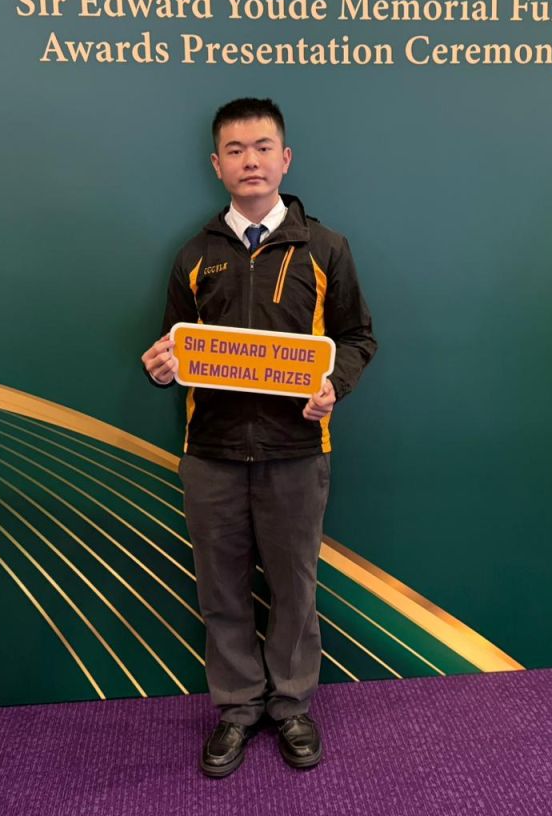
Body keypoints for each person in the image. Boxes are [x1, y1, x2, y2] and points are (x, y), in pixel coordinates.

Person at [140, 97, 377, 777]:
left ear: (285, 158)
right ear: (217, 165)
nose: (251, 160)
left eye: (263, 147)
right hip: (211, 454)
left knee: (296, 589)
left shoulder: (325, 249)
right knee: (221, 591)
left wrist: (335, 384)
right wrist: (160, 367)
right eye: (236, 150)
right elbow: (173, 345)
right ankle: (238, 708)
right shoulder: (195, 255)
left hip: (296, 452)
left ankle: (293, 705)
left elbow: (358, 338)